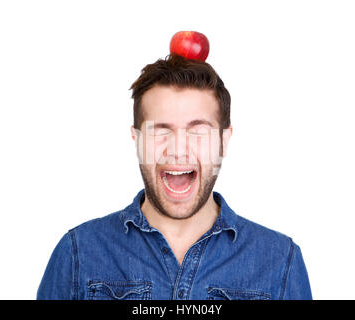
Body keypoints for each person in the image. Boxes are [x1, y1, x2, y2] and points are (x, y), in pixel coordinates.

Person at [37, 53, 312, 300]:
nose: (178, 150)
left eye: (198, 131)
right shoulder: (78, 253)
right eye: (161, 130)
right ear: (137, 140)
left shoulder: (280, 261)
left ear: (223, 141)